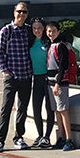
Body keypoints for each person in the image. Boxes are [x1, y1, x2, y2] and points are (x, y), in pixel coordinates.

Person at [0, 2, 32, 152]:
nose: (22, 14)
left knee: (22, 108)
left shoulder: (28, 31)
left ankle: (18, 137)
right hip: (12, 76)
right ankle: (0, 140)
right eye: (19, 11)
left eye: (25, 12)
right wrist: (5, 71)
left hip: (26, 75)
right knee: (6, 108)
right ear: (14, 12)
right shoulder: (6, 31)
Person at [45, 21, 75, 151]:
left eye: (53, 31)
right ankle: (61, 138)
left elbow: (63, 65)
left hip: (60, 83)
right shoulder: (50, 45)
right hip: (51, 82)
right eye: (49, 31)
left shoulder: (61, 46)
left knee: (63, 111)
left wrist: (57, 84)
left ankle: (69, 139)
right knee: (57, 111)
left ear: (58, 31)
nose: (51, 33)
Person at [29, 17, 54, 147]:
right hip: (36, 79)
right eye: (34, 28)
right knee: (36, 109)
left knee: (49, 109)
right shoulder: (30, 42)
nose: (37, 30)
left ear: (43, 28)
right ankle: (40, 135)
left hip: (48, 79)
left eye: (39, 28)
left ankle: (47, 137)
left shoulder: (48, 42)